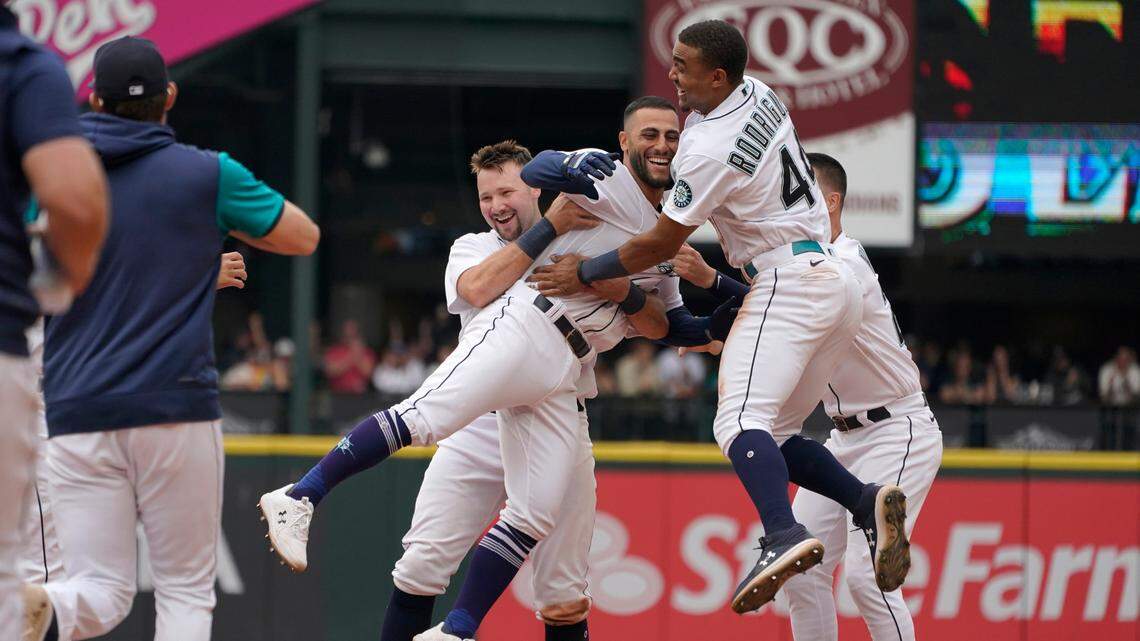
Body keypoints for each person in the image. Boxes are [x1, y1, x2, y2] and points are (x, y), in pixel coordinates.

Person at [528, 19, 910, 612]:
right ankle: (865, 502)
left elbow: (656, 245)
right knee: (776, 433)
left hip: (787, 282)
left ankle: (782, 535)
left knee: (735, 424)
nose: (672, 73)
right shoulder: (759, 94)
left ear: (718, 75)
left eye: (682, 65)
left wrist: (584, 272)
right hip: (832, 281)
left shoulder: (705, 148)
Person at [30, 36, 319, 641]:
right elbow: (302, 236)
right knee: (185, 590)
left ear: (94, 100)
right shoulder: (205, 172)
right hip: (173, 406)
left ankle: (46, 606)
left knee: (98, 592)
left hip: (77, 409)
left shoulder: (51, 175)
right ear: (170, 96)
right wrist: (202, 231)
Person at [774, 153, 944, 641]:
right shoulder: (810, 263)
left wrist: (713, 280)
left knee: (868, 578)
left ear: (830, 202)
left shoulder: (844, 262)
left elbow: (787, 294)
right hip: (844, 438)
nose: (788, 206)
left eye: (799, 194)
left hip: (898, 427)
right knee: (800, 567)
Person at [1, 6, 109, 640]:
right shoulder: (26, 72)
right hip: (28, 364)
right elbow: (73, 206)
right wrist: (70, 276)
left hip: (61, 375)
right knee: (30, 563)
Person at [323, 319, 376, 393]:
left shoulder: (366, 351)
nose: (350, 335)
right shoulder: (335, 350)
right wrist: (351, 357)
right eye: (347, 332)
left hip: (360, 395)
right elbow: (330, 371)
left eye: (353, 332)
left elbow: (369, 373)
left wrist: (358, 355)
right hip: (338, 393)